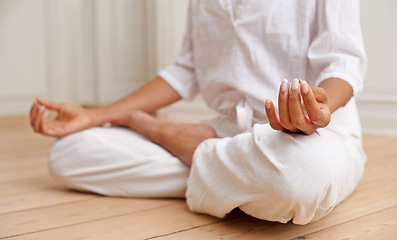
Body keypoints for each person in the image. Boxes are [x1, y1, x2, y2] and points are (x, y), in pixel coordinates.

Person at [30, 0, 367, 225]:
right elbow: (186, 71)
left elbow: (343, 59)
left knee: (301, 179)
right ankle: (238, 172)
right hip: (230, 132)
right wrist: (97, 115)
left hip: (316, 136)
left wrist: (320, 109)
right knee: (69, 153)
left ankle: (186, 145)